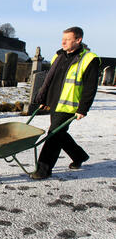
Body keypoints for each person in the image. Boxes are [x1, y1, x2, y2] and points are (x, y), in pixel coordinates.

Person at [30, 26, 100, 180]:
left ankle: (43, 169)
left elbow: (90, 87)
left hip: (70, 105)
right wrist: (45, 99)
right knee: (60, 133)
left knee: (53, 135)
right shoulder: (58, 56)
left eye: (68, 39)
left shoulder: (89, 59)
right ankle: (79, 155)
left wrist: (83, 108)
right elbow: (51, 80)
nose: (63, 42)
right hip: (55, 103)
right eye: (63, 39)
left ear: (78, 40)